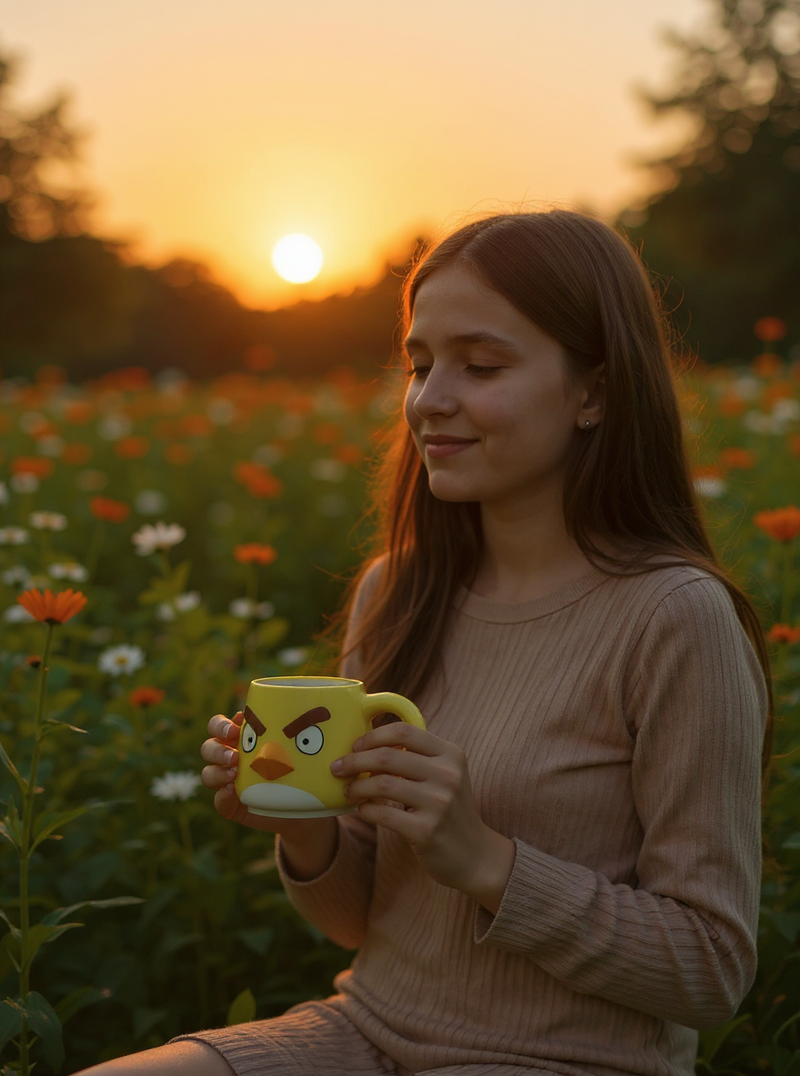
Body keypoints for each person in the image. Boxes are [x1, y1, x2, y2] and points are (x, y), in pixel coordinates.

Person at [78, 209, 771, 1076]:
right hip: (363, 1033)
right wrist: (303, 827)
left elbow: (711, 969)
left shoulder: (674, 617)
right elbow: (358, 922)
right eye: (420, 364)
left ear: (593, 392)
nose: (429, 399)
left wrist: (486, 861)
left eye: (480, 366)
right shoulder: (398, 591)